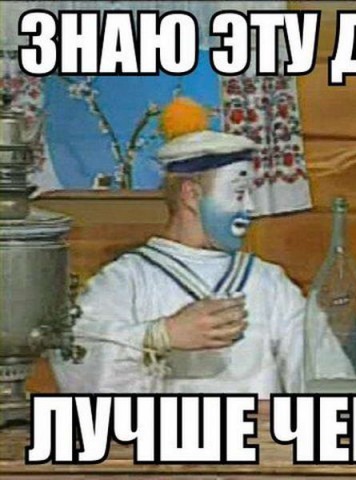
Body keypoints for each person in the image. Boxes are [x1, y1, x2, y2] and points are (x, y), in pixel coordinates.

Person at [51, 97, 307, 395]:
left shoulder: (270, 283)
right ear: (191, 195)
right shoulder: (126, 281)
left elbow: (320, 371)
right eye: (239, 194)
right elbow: (75, 361)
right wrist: (161, 335)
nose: (250, 207)